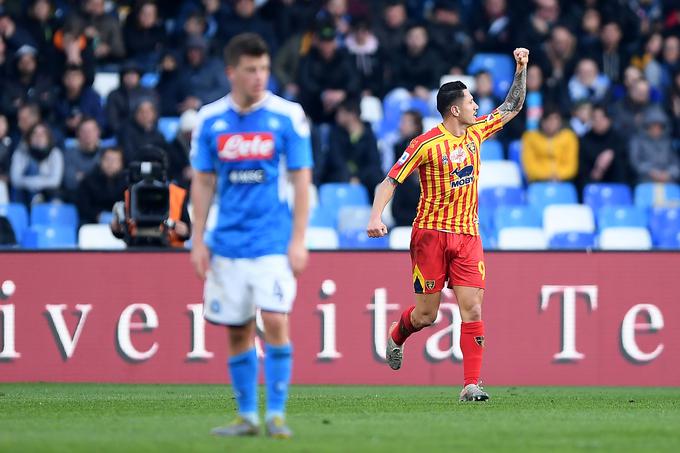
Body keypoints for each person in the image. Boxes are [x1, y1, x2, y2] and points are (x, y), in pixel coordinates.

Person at [367, 48, 529, 402]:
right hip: (430, 235)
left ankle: (471, 384)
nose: (476, 106)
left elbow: (512, 107)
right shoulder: (424, 144)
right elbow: (390, 180)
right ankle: (397, 334)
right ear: (455, 109)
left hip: (468, 235)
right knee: (426, 315)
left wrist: (521, 69)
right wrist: (376, 215)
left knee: (472, 306)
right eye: (471, 101)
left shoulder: (477, 132)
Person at [190, 33, 312, 438]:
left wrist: (298, 240)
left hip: (272, 242)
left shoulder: (287, 116)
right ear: (232, 72)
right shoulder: (209, 120)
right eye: (251, 70)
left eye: (264, 69)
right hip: (226, 243)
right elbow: (204, 183)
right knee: (238, 328)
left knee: (275, 320)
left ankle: (276, 413)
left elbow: (300, 179)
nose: (260, 77)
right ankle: (247, 416)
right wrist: (197, 239)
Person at [10, 121, 64, 205]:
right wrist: (40, 181)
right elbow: (15, 180)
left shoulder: (55, 153)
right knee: (32, 168)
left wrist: (33, 182)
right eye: (35, 134)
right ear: (29, 138)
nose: (39, 137)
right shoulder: (20, 152)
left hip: (47, 194)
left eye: (42, 134)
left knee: (56, 194)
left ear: (48, 138)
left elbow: (55, 181)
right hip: (23, 195)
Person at [521, 109, 578, 183]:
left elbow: (571, 166)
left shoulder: (569, 137)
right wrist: (548, 176)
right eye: (549, 120)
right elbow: (529, 166)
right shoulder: (530, 137)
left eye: (555, 120)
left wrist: (558, 175)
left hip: (563, 182)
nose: (552, 123)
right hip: (538, 182)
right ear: (542, 122)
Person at [76, 146, 126, 224]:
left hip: (121, 224)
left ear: (121, 164)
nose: (110, 164)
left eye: (115, 161)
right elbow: (83, 207)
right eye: (107, 160)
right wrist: (97, 216)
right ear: (101, 161)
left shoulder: (127, 183)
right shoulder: (88, 181)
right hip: (94, 223)